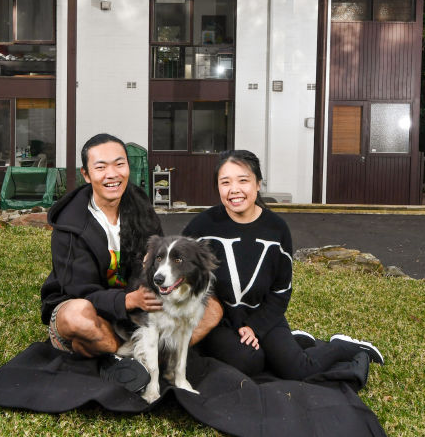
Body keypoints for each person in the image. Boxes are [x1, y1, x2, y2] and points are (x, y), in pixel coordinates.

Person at [182, 149, 383, 380]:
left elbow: (281, 291)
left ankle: (341, 346)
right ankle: (296, 341)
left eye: (243, 180)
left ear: (258, 184)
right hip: (221, 320)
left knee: (299, 370)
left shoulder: (276, 229)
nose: (234, 190)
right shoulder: (203, 224)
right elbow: (177, 260)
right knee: (249, 362)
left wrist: (256, 327)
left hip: (264, 314)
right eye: (225, 182)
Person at [40, 133, 222, 369]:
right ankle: (132, 354)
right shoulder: (70, 225)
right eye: (101, 167)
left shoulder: (138, 203)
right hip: (91, 305)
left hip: (135, 311)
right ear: (86, 174)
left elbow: (157, 263)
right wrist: (128, 300)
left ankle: (125, 354)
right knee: (77, 317)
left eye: (119, 164)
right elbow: (80, 291)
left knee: (213, 309)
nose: (112, 174)